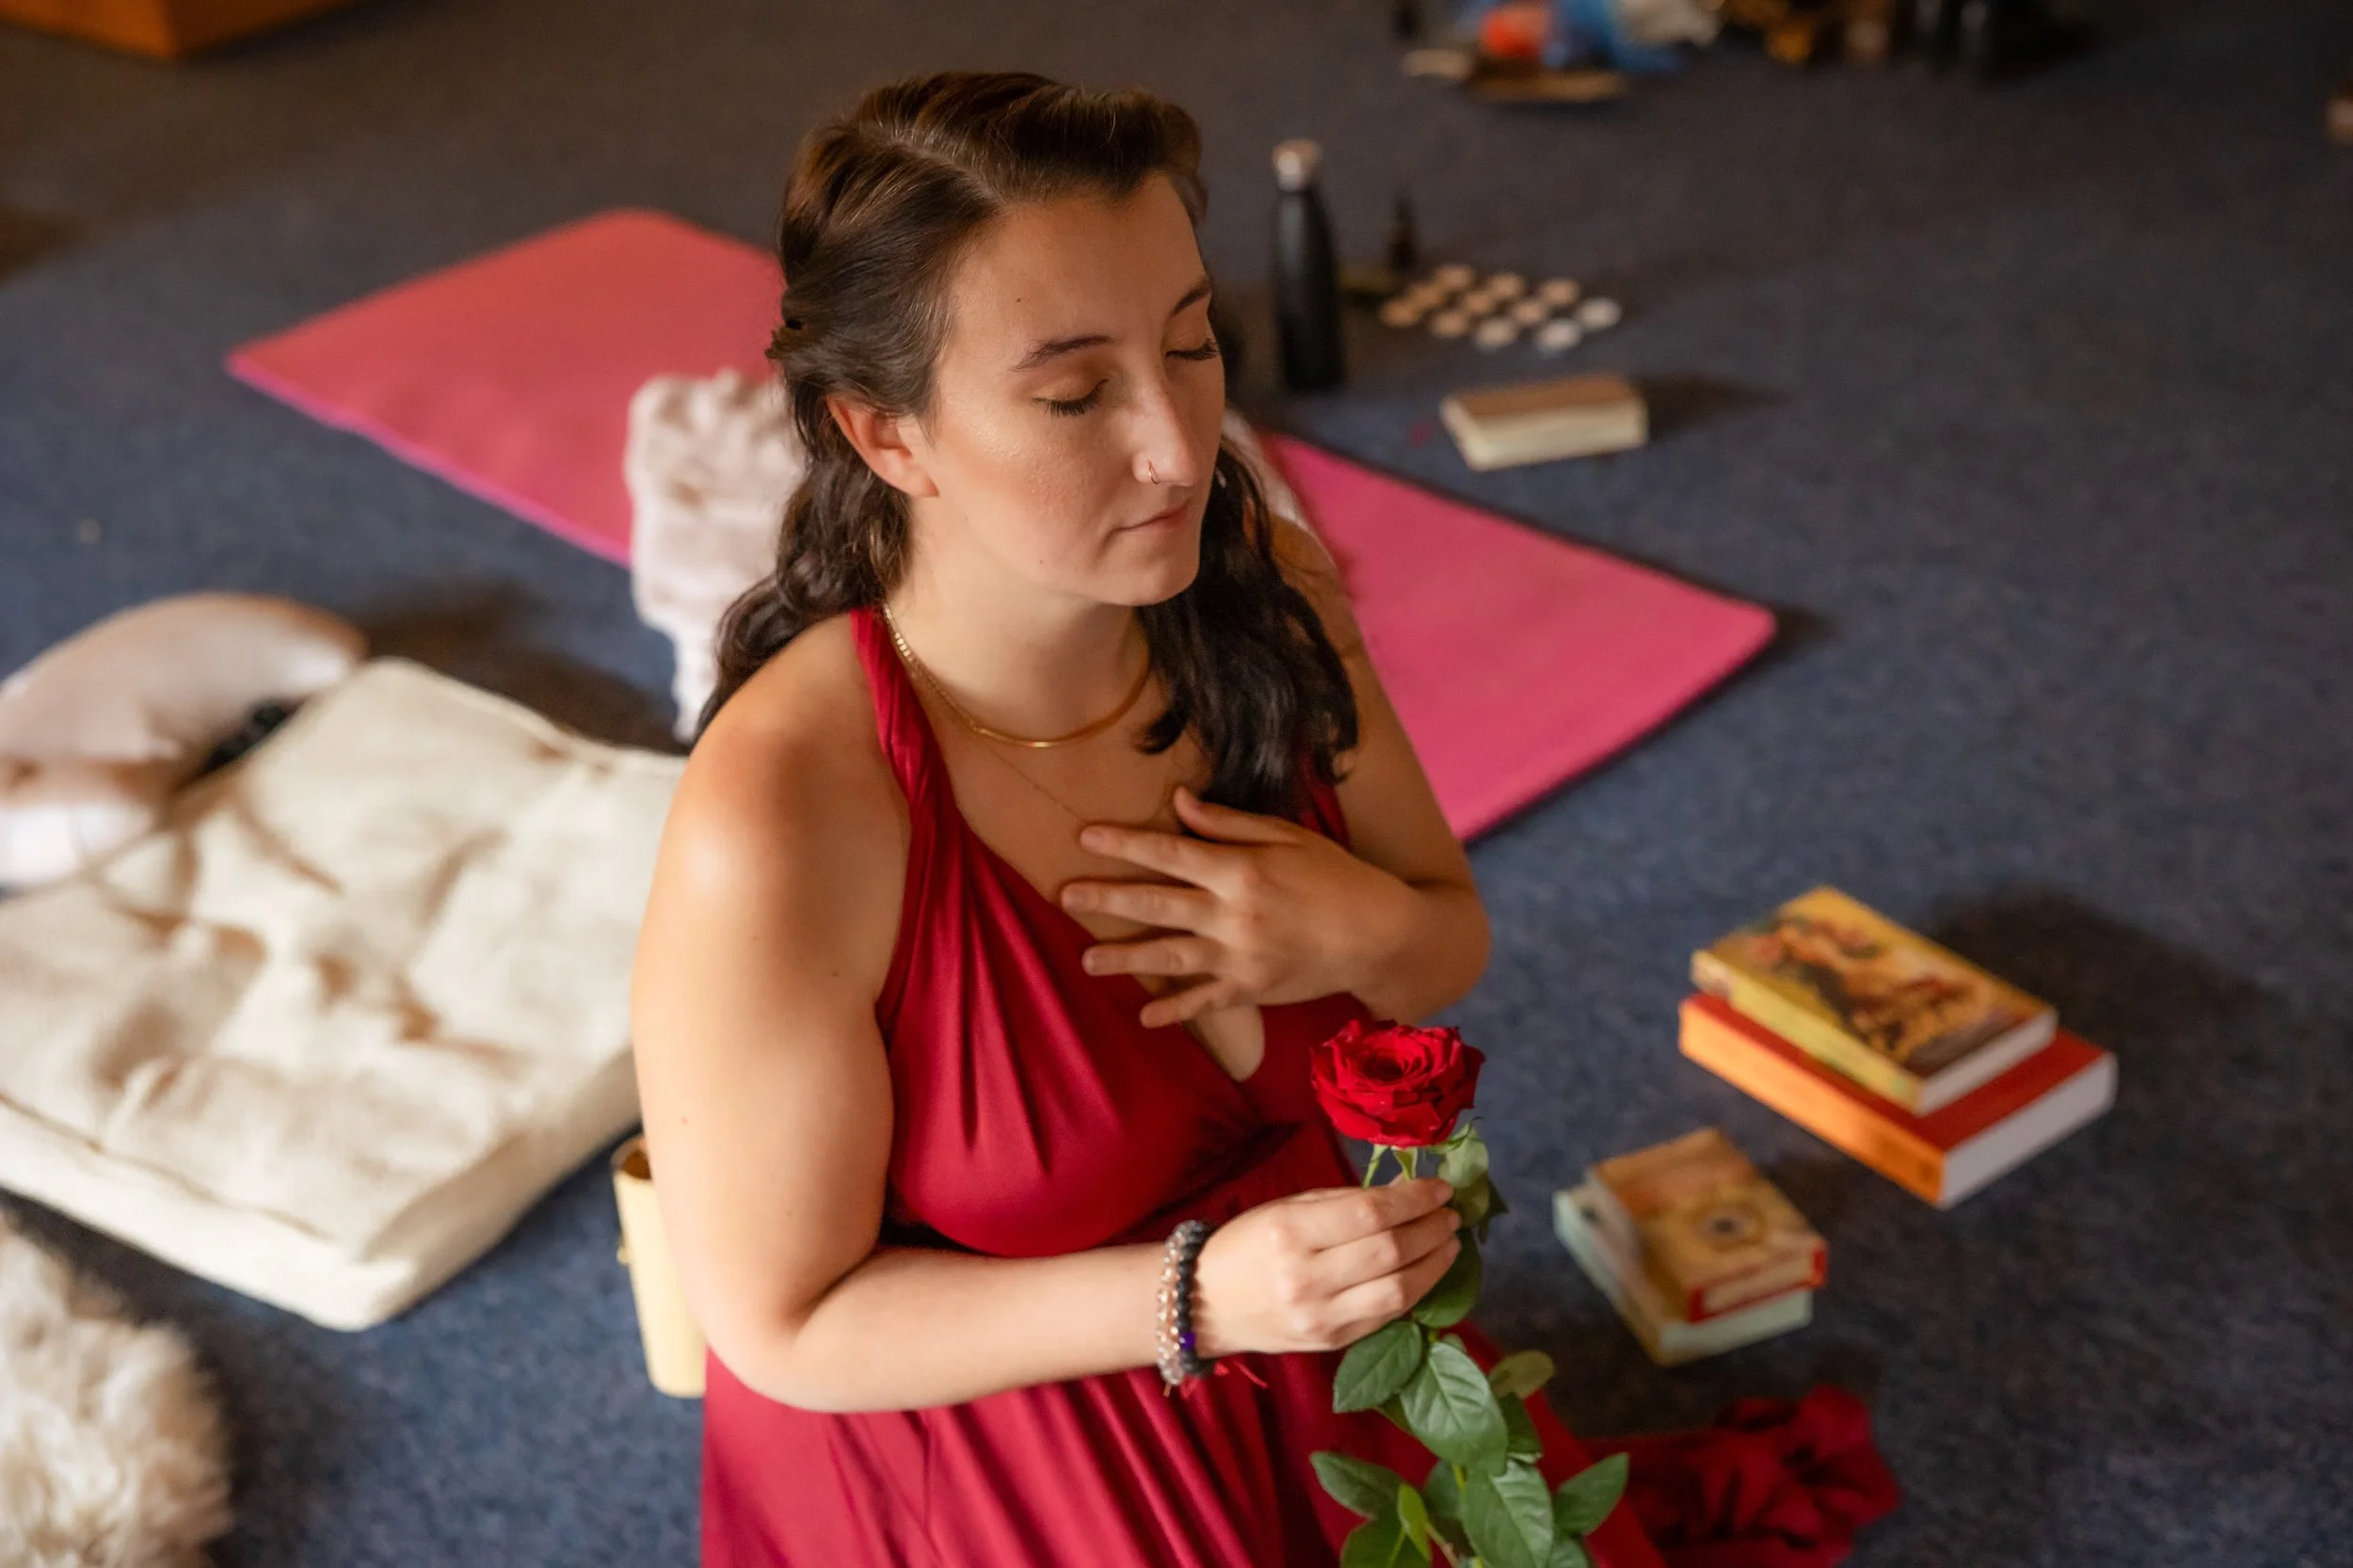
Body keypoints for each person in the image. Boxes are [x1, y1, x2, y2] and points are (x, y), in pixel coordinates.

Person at [631, 71, 1657, 1568]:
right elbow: (784, 1325)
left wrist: (1353, 921)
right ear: (888, 435)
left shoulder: (1259, 591)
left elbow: (1444, 944)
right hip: (1017, 1466)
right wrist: (1201, 1299)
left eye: (1192, 344)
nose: (1181, 448)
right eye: (1071, 396)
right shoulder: (780, 819)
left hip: (1324, 1378)